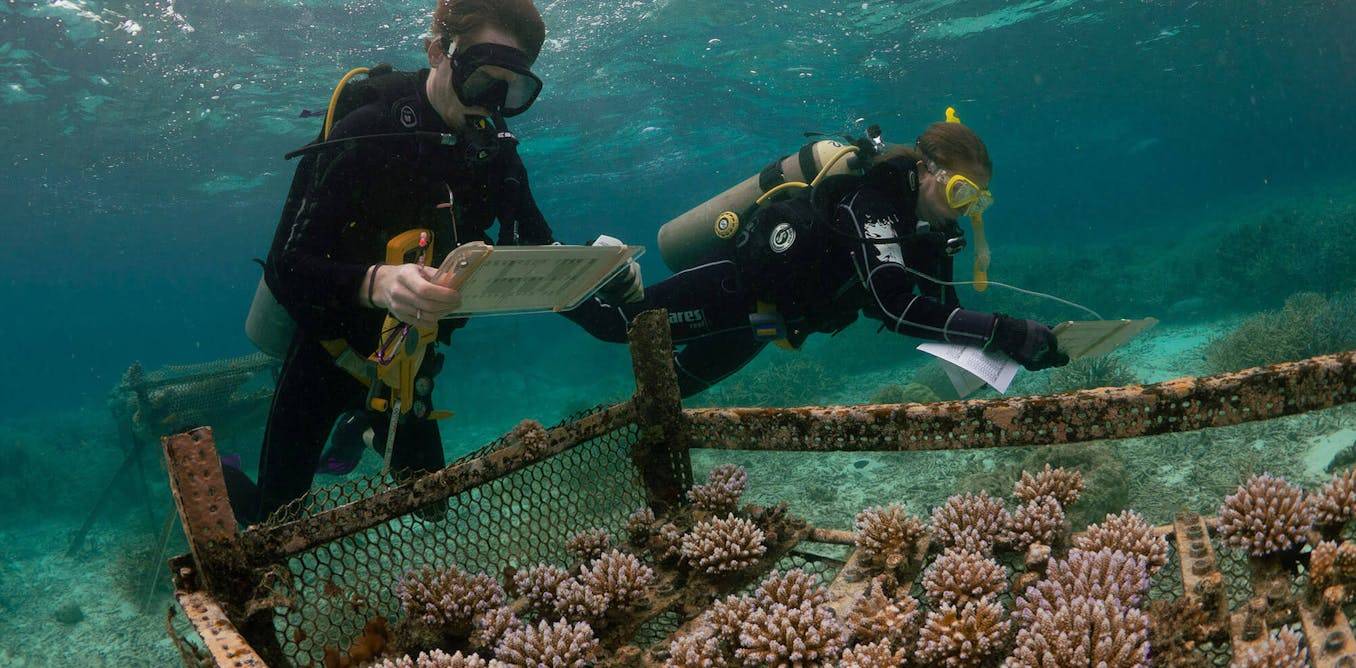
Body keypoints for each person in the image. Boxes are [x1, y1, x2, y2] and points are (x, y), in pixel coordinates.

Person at [226, 0, 557, 524]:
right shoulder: (367, 129)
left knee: (432, 508)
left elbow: (542, 253)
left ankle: (359, 426)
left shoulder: (497, 155)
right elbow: (287, 264)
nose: (490, 106)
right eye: (479, 81)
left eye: (510, 90)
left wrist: (603, 272)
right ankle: (218, 467)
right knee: (274, 519)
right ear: (437, 53)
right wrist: (376, 282)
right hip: (328, 353)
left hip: (408, 365)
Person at [564, 120, 1070, 397]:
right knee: (617, 327)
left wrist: (1010, 345)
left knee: (676, 389)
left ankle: (631, 434)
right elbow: (897, 310)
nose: (961, 210)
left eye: (974, 201)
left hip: (767, 322)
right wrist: (1003, 329)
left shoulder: (927, 233)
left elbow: (942, 311)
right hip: (734, 287)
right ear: (929, 170)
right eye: (959, 192)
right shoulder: (870, 203)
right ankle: (573, 273)